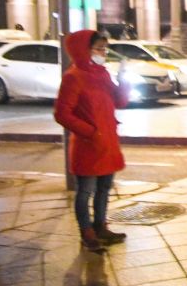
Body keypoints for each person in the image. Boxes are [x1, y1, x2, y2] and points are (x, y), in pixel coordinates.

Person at [53, 30, 130, 253]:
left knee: (105, 188)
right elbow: (62, 114)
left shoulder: (103, 74)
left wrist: (123, 79)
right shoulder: (73, 77)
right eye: (98, 49)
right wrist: (90, 132)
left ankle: (101, 226)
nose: (103, 53)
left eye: (104, 49)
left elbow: (121, 101)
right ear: (83, 50)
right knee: (85, 191)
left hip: (108, 143)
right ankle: (87, 233)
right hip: (88, 145)